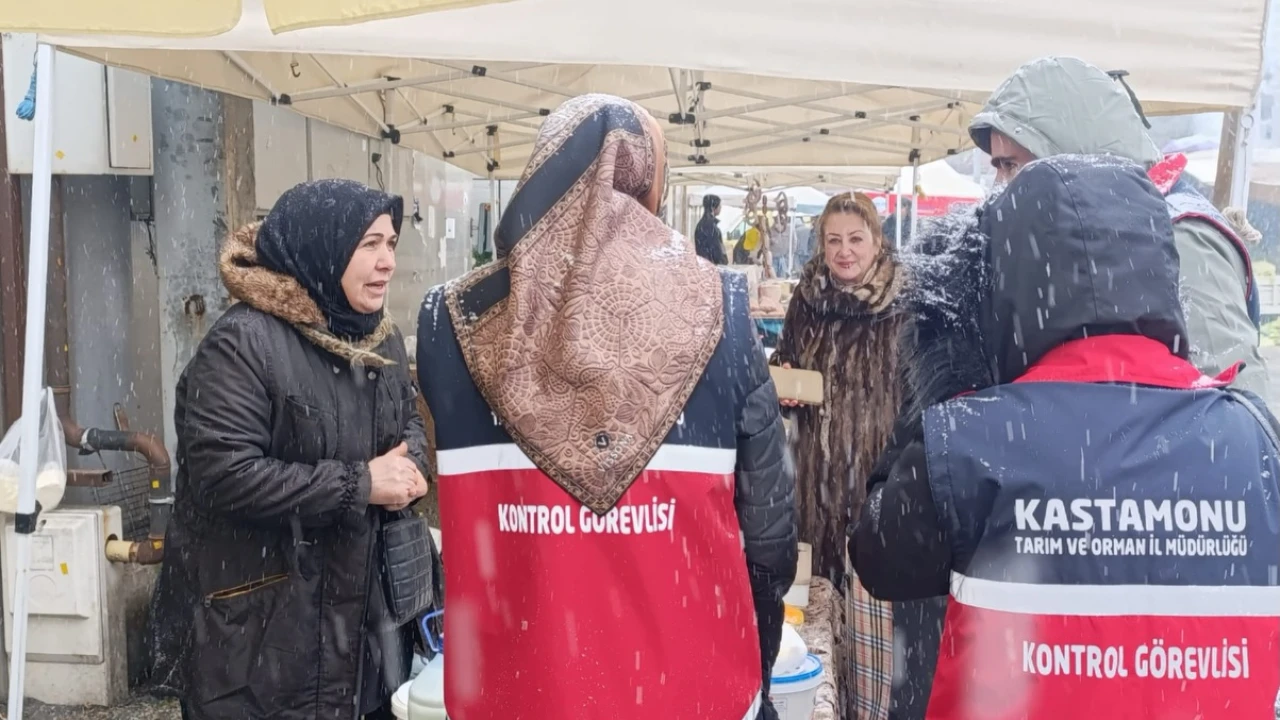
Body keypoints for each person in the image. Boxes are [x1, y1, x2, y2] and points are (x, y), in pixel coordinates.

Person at [850, 156, 1280, 719]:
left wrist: (934, 380)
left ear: (1003, 282)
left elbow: (880, 556)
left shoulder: (971, 439)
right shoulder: (1255, 441)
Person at [416, 94, 797, 720]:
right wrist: (759, 658)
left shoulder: (451, 319)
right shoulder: (718, 306)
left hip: (516, 687)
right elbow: (769, 536)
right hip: (687, 687)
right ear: (645, 181)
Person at [148, 179, 433, 720]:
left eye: (391, 244)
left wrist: (412, 466)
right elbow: (223, 475)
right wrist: (362, 484)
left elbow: (408, 422)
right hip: (262, 642)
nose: (387, 262)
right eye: (369, 244)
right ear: (322, 247)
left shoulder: (380, 338)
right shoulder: (243, 344)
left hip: (362, 637)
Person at [968, 55, 1269, 399]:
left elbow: (1239, 404)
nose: (999, 188)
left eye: (1010, 166)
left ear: (1070, 152)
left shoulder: (1180, 237)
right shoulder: (1109, 231)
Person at [770, 191, 904, 720]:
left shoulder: (903, 304)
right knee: (818, 610)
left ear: (876, 241)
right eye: (833, 241)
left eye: (855, 239)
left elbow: (917, 390)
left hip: (879, 479)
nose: (844, 252)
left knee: (877, 623)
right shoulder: (806, 301)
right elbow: (784, 359)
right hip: (817, 479)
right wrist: (783, 381)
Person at [696, 193, 729, 264]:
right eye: (719, 206)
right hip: (710, 264)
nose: (721, 208)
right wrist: (722, 261)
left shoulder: (701, 224)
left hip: (703, 263)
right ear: (713, 207)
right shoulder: (710, 225)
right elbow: (715, 248)